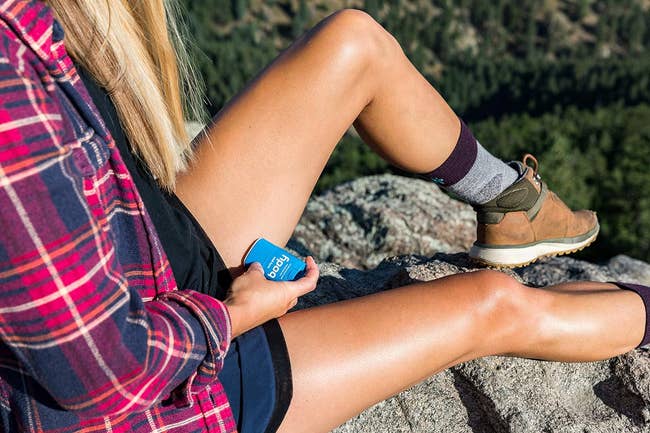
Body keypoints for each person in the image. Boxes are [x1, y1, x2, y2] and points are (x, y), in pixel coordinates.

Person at [0, 1, 647, 433]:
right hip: (157, 394)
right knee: (492, 304)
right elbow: (103, 376)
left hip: (142, 258)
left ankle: (514, 204)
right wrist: (233, 314)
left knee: (353, 44)